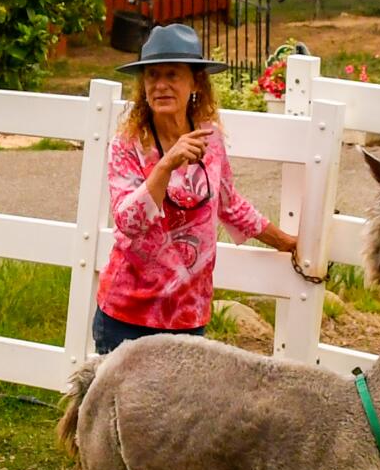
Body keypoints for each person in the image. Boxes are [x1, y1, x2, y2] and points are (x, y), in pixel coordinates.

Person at [93, 22, 304, 355]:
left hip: (187, 314)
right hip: (128, 313)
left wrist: (287, 243)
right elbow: (128, 223)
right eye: (152, 75)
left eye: (172, 75)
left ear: (195, 82)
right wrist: (165, 165)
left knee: (177, 408)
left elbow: (231, 204)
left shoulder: (210, 137)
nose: (160, 85)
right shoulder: (128, 145)